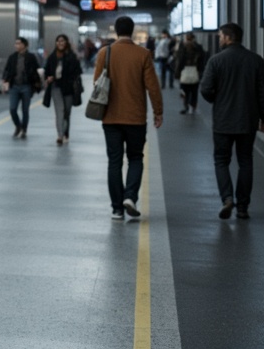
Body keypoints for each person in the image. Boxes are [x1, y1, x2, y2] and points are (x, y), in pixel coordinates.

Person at [199, 23, 264, 220]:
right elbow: (263, 93)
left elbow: (205, 89)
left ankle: (227, 198)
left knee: (221, 160)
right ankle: (242, 208)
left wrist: (218, 99)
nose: (219, 38)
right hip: (248, 120)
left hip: (223, 120)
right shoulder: (255, 60)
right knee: (245, 161)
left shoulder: (216, 61)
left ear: (228, 37)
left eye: (220, 36)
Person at [94, 15, 164, 222]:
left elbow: (96, 83)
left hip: (111, 117)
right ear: (132, 31)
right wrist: (158, 111)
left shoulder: (104, 53)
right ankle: (130, 197)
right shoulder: (143, 54)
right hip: (135, 117)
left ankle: (117, 209)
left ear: (116, 30)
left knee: (114, 161)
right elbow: (153, 87)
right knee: (135, 158)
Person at [42, 33, 83, 146]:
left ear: (66, 43)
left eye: (62, 41)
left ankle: (66, 132)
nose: (60, 43)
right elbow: (47, 70)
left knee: (66, 112)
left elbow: (77, 72)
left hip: (68, 88)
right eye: (58, 41)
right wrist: (48, 77)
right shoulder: (52, 56)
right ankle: (60, 135)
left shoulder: (71, 57)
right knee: (59, 111)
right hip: (56, 87)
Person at [1, 37, 42, 139]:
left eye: (18, 43)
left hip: (26, 86)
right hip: (14, 86)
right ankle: (18, 126)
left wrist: (37, 83)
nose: (16, 45)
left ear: (24, 45)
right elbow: (7, 70)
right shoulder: (12, 57)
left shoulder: (31, 57)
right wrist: (5, 81)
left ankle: (24, 129)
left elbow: (37, 70)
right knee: (13, 108)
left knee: (25, 110)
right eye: (16, 44)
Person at [173, 32, 207, 114]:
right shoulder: (198, 47)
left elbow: (178, 60)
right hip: (195, 71)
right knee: (194, 91)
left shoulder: (182, 47)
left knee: (184, 91)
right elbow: (202, 60)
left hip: (184, 72)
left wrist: (177, 73)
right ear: (193, 38)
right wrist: (201, 71)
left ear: (186, 38)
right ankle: (193, 106)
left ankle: (186, 106)